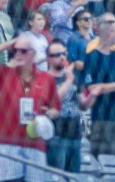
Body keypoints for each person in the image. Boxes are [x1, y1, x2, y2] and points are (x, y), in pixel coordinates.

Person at [0, 35, 60, 182]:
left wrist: (45, 115)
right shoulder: (5, 74)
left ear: (33, 54)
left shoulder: (46, 79)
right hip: (7, 140)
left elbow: (55, 108)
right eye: (15, 51)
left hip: (35, 141)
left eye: (23, 51)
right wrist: (9, 43)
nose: (18, 54)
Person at [83, 12, 115, 159]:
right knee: (106, 160)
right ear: (109, 32)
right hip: (104, 119)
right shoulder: (92, 56)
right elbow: (93, 88)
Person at [43, 40, 80, 173]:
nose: (62, 57)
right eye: (57, 54)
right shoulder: (43, 79)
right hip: (56, 135)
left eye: (64, 53)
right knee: (57, 175)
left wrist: (92, 94)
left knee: (74, 175)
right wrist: (69, 80)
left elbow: (82, 104)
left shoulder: (72, 77)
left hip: (75, 133)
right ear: (48, 58)